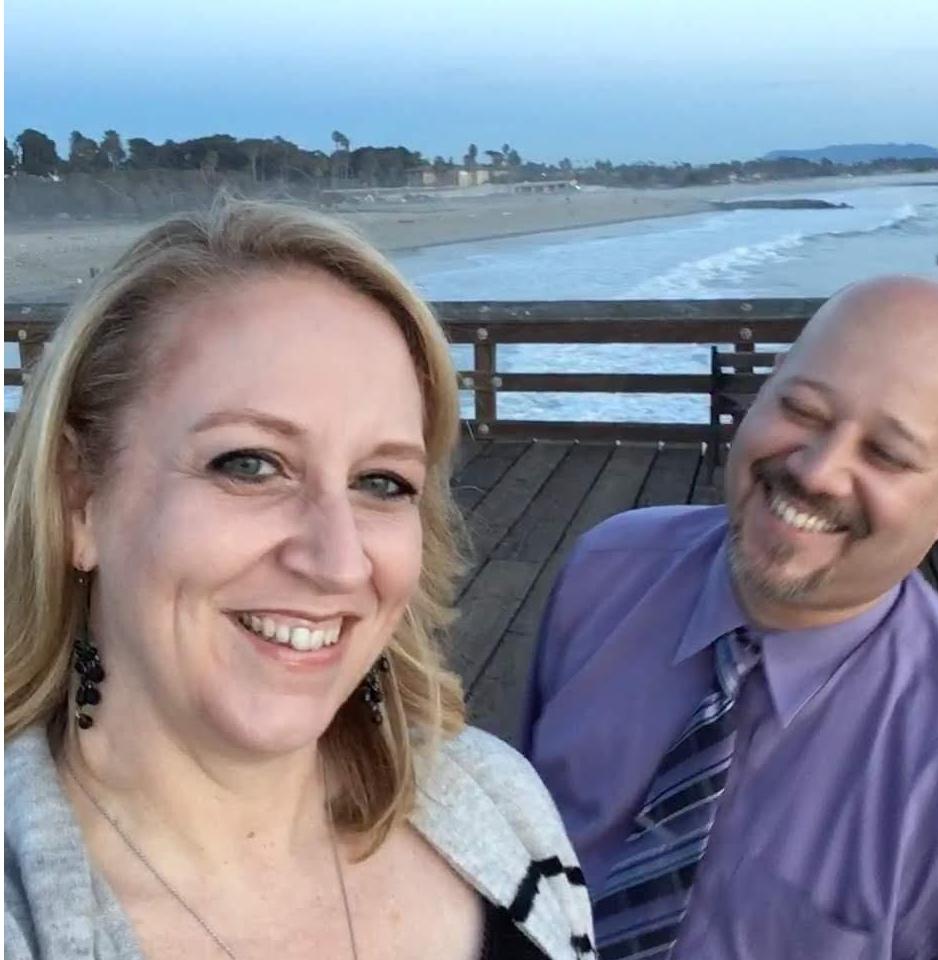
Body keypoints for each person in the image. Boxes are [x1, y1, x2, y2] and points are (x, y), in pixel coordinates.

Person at [5, 199, 595, 960]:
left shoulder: (496, 800)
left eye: (382, 482)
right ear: (79, 498)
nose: (339, 561)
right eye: (250, 464)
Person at [523, 276, 938, 959]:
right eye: (803, 410)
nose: (818, 472)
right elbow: (516, 820)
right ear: (765, 388)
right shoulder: (604, 571)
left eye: (886, 455)